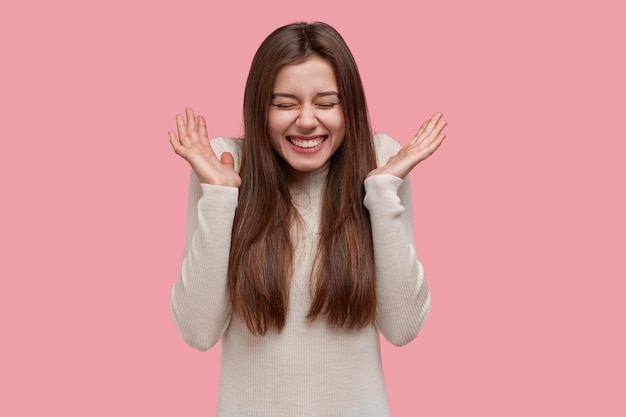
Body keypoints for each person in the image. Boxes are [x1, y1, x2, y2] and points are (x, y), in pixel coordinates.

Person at [168, 21, 447, 416]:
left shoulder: (382, 159)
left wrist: (382, 192)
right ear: (259, 108)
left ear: (350, 107)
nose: (306, 120)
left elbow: (402, 328)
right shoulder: (224, 165)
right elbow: (197, 332)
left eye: (327, 103)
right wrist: (219, 196)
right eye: (284, 104)